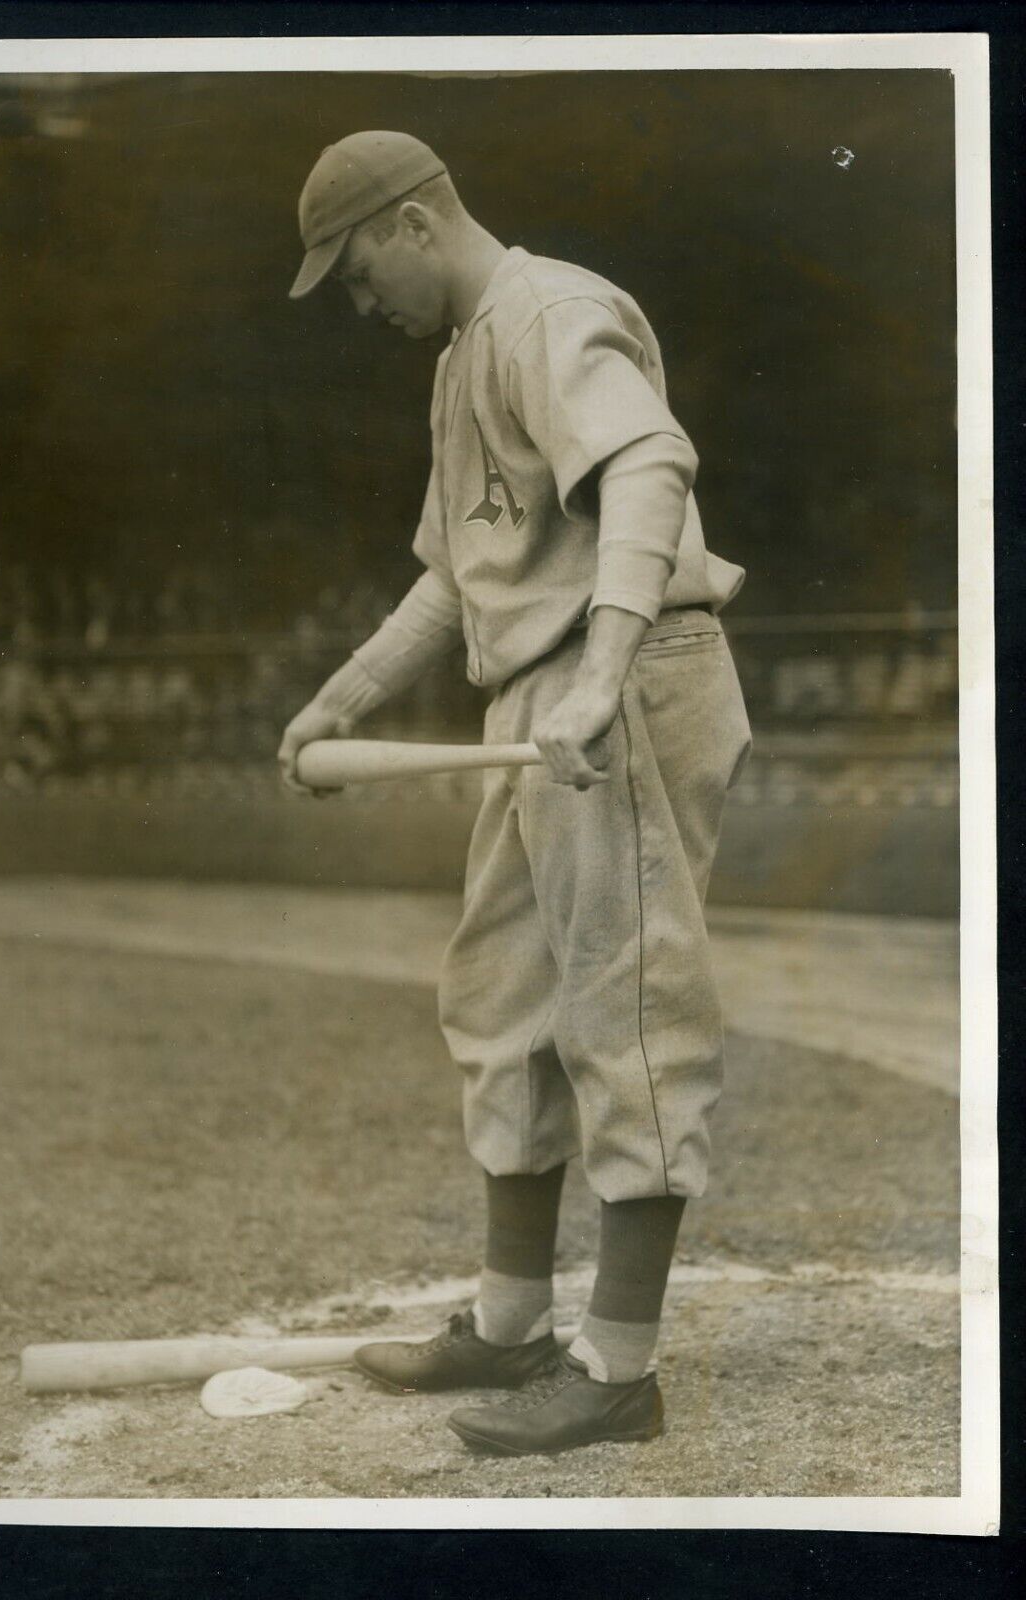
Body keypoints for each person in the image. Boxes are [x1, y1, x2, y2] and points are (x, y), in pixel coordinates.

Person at [278, 131, 752, 1457]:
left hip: (624, 682)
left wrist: (601, 674)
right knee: (501, 1001)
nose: (358, 301)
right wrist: (345, 698)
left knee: (627, 1009)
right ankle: (510, 1319)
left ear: (417, 220)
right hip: (542, 695)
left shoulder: (549, 310)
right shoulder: (460, 356)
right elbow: (455, 577)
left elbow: (653, 464)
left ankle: (620, 1366)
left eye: (357, 267)